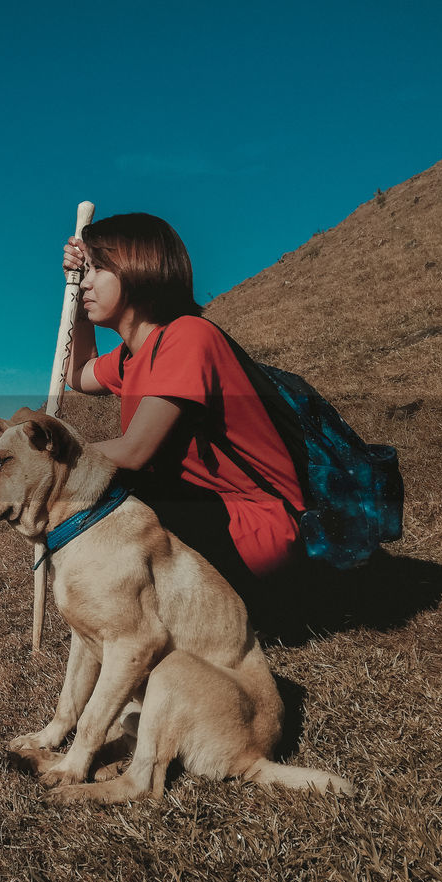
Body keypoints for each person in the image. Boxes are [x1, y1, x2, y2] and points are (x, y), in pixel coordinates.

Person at [62, 212, 304, 606]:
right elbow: (77, 372)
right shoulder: (132, 357)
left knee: (113, 488)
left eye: (98, 269)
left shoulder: (187, 337)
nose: (87, 281)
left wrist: (53, 458)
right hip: (214, 518)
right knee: (109, 490)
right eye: (86, 270)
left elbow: (135, 452)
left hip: (258, 529)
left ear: (138, 268)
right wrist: (72, 291)